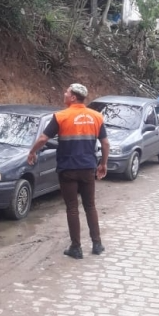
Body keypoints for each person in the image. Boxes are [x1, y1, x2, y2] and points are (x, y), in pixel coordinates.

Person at [27, 83, 109, 259]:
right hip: (88, 168)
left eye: (66, 92)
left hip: (68, 169)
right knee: (90, 206)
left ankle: (76, 248)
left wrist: (32, 152)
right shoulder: (96, 117)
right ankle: (97, 244)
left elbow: (43, 138)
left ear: (73, 97)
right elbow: (105, 143)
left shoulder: (61, 116)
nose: (64, 94)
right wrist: (103, 164)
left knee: (72, 208)